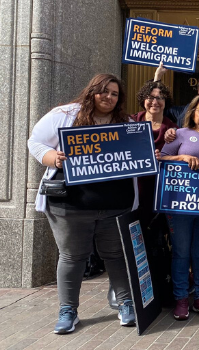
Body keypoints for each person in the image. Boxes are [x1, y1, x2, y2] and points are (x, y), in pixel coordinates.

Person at [27, 74, 137, 334]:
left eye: (114, 93)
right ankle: (68, 311)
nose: (108, 97)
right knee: (72, 257)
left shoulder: (127, 123)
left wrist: (147, 155)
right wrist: (53, 157)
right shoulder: (64, 114)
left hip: (115, 205)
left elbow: (136, 157)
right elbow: (35, 142)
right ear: (92, 92)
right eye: (103, 91)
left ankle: (126, 304)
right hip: (71, 206)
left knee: (116, 256)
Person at [160, 95, 199, 320]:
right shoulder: (179, 134)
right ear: (193, 113)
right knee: (181, 253)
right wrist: (182, 157)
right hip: (179, 206)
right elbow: (160, 158)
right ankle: (180, 299)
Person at [131, 80, 178, 305]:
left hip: (160, 193)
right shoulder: (131, 122)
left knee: (158, 241)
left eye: (160, 97)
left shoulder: (173, 128)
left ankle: (159, 285)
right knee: (135, 240)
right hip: (135, 191)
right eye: (150, 97)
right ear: (143, 100)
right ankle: (133, 287)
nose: (155, 101)